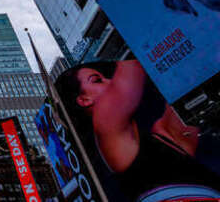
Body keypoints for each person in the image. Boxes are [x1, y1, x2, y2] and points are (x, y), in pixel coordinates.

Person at [57, 60, 220, 201]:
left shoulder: (161, 133)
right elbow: (135, 71)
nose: (110, 81)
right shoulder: (104, 124)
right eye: (97, 80)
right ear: (84, 100)